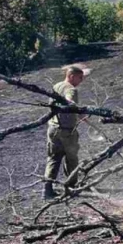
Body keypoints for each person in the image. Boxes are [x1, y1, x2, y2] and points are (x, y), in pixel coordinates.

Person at [44, 65, 86, 200]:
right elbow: (70, 102)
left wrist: (80, 116)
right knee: (72, 158)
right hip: (67, 130)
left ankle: (47, 190)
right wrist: (78, 109)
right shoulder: (71, 89)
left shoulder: (57, 86)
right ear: (72, 76)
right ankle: (72, 187)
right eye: (80, 78)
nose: (81, 81)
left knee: (53, 159)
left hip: (52, 128)